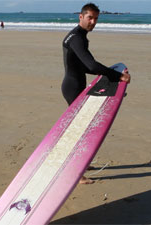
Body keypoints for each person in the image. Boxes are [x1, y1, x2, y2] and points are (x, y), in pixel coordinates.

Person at [61, 3, 131, 184]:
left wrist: (111, 76)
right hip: (73, 87)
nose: (93, 22)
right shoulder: (77, 38)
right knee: (79, 129)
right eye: (90, 17)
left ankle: (80, 165)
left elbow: (84, 66)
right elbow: (91, 65)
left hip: (73, 84)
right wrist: (117, 76)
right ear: (81, 17)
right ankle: (75, 173)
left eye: (96, 19)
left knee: (81, 127)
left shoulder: (77, 36)